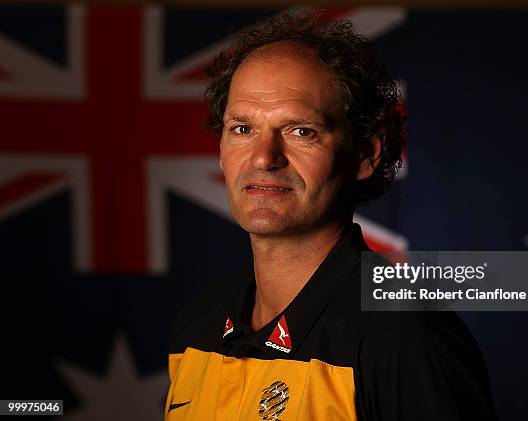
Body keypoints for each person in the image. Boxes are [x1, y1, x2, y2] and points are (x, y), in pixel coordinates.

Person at [165, 10, 498, 421]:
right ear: (221, 150)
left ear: (364, 156)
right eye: (242, 129)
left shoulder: (404, 337)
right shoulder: (197, 325)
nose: (264, 158)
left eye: (301, 131)